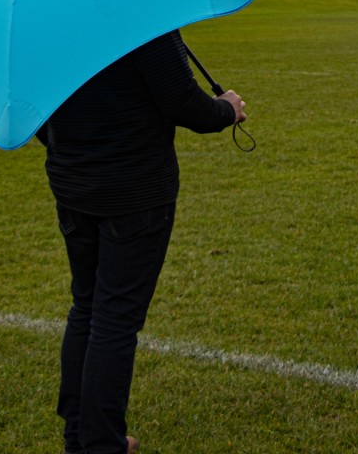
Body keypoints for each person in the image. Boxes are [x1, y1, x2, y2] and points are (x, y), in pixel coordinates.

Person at [35, 30, 246, 454]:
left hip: (74, 184)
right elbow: (183, 103)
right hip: (135, 191)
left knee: (89, 306)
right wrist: (227, 109)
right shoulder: (141, 13)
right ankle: (98, 444)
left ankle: (81, 437)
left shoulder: (48, 15)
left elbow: (33, 109)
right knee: (112, 318)